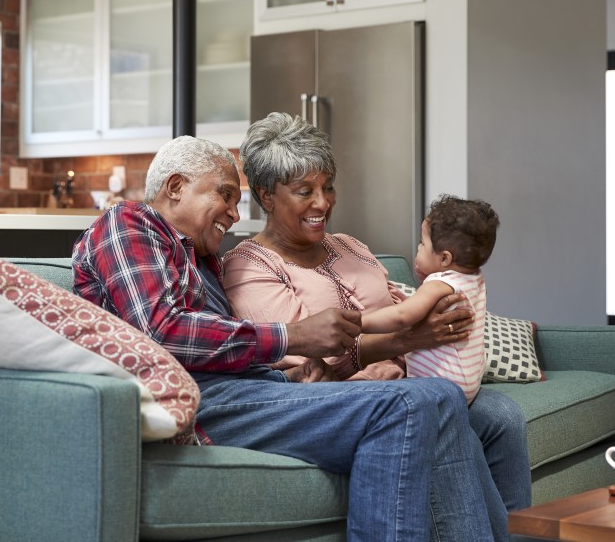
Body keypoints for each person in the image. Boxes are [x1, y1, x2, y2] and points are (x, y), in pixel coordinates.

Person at [73, 135, 508, 541]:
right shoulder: (129, 224)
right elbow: (163, 330)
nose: (235, 213)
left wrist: (293, 375)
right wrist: (293, 336)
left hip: (242, 389)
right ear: (175, 187)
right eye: (225, 194)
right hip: (193, 400)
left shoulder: (198, 255)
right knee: (414, 401)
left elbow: (225, 345)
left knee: (446, 403)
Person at [223, 111, 530, 513]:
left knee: (503, 414)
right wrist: (409, 340)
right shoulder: (249, 267)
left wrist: (443, 320)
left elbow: (400, 304)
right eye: (304, 191)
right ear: (266, 195)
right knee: (442, 418)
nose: (323, 202)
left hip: (411, 376)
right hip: (355, 397)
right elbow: (308, 354)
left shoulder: (350, 245)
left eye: (328, 187)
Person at [358, 195, 499, 403]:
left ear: (444, 258)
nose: (418, 248)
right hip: (467, 383)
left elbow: (402, 316)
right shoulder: (474, 278)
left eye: (422, 244)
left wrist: (359, 323)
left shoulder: (438, 285)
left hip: (439, 386)